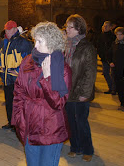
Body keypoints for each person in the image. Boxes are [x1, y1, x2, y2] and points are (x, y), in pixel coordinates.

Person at [12, 22, 71, 166]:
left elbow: (58, 102)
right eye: (35, 40)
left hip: (50, 128)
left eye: (40, 41)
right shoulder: (28, 61)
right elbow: (18, 91)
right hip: (29, 125)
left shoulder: (62, 68)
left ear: (51, 42)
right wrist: (19, 117)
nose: (35, 46)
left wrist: (48, 78)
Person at [64, 14, 97, 162]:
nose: (67, 29)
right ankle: (75, 147)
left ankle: (87, 149)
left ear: (79, 29)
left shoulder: (86, 47)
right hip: (67, 90)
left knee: (82, 121)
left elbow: (90, 72)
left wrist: (85, 93)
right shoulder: (66, 45)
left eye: (71, 27)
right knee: (70, 120)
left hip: (80, 90)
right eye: (67, 26)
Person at [0, 20, 32, 131]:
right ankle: (11, 122)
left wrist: (22, 76)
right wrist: (1, 72)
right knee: (9, 102)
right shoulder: (3, 42)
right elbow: (0, 58)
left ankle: (19, 125)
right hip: (6, 78)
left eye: (9, 29)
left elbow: (27, 61)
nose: (7, 32)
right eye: (6, 29)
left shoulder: (23, 42)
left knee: (18, 104)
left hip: (18, 80)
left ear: (15, 29)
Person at [110, 27, 124, 111]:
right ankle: (122, 103)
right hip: (116, 68)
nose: (118, 36)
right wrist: (111, 61)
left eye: (120, 35)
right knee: (118, 86)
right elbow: (110, 53)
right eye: (117, 35)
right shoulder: (115, 43)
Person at [97, 21, 116, 95]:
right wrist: (101, 54)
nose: (105, 27)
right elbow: (99, 45)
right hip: (104, 57)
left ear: (110, 27)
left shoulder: (112, 36)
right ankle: (111, 87)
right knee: (105, 73)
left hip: (112, 58)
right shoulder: (101, 35)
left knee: (113, 74)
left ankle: (114, 88)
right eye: (104, 26)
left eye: (106, 26)